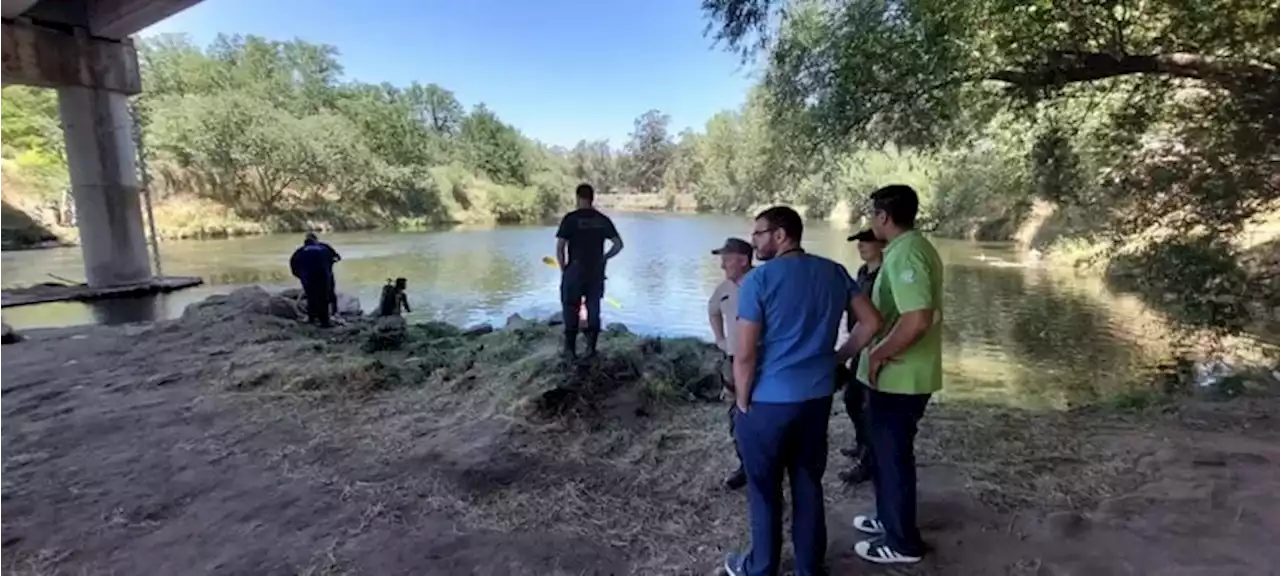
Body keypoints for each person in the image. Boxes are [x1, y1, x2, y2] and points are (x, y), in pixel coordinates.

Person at [724, 206, 882, 576]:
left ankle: (759, 568)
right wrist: (838, 357)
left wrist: (743, 400)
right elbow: (872, 322)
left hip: (768, 402)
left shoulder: (757, 282)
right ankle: (809, 568)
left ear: (780, 235)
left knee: (764, 491)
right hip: (815, 400)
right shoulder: (834, 271)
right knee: (808, 485)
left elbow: (744, 354)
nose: (754, 241)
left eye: (759, 234)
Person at [851, 185, 944, 566]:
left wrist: (879, 355)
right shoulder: (906, 249)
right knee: (884, 452)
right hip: (895, 376)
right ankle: (889, 520)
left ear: (884, 217)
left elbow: (917, 319)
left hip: (902, 377)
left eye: (874, 215)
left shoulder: (908, 252)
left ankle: (903, 544)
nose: (873, 222)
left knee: (893, 456)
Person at [837, 229, 885, 486]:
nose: (862, 246)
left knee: (868, 405)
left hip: (876, 346)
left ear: (882, 244)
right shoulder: (862, 273)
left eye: (867, 241)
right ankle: (862, 444)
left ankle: (868, 462)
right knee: (852, 398)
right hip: (859, 344)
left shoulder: (886, 274)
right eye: (859, 242)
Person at [555, 183, 623, 360]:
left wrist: (564, 269)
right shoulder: (602, 219)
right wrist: (605, 257)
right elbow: (618, 244)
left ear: (578, 198)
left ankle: (570, 350)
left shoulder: (570, 219)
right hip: (596, 271)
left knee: (570, 307)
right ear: (592, 198)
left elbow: (560, 247)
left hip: (575, 270)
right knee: (594, 308)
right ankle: (591, 349)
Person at [706, 237, 754, 491]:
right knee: (735, 413)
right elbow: (712, 310)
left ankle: (767, 466)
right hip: (732, 360)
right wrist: (720, 339)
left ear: (744, 261)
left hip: (760, 361)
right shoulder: (724, 287)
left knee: (761, 413)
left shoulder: (761, 284)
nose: (722, 266)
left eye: (726, 259)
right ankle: (745, 466)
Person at [290, 234, 336, 327]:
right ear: (316, 240)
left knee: (311, 297)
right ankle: (325, 321)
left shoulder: (300, 251)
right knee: (325, 298)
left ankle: (311, 318)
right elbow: (336, 258)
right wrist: (329, 269)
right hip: (323, 276)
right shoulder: (324, 247)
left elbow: (293, 265)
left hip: (308, 278)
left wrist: (300, 276)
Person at [305, 232, 342, 316]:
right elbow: (337, 258)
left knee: (315, 295)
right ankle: (330, 314)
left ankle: (317, 315)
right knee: (328, 293)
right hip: (326, 274)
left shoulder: (323, 247)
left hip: (314, 276)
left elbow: (337, 257)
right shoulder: (324, 247)